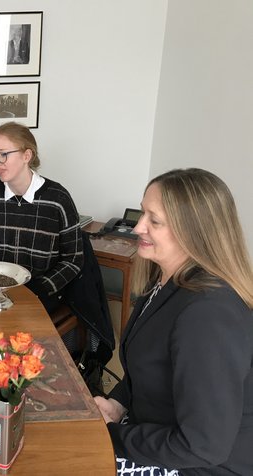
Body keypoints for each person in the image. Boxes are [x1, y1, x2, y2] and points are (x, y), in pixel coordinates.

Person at [95, 168, 253, 475]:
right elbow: (150, 369)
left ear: (194, 231)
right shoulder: (166, 281)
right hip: (155, 432)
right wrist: (117, 404)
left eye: (154, 221)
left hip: (197, 466)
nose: (138, 227)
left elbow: (203, 446)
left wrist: (111, 435)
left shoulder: (208, 315)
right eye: (143, 213)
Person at [0, 121, 83, 314]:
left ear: (27, 155)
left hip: (44, 293)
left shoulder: (58, 199)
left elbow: (73, 259)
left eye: (3, 154)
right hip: (0, 291)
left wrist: (37, 290)